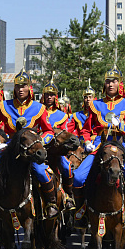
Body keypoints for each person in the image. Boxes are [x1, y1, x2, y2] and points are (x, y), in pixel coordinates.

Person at [0, 66, 58, 217]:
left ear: (29, 88)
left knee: (42, 173)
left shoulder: (39, 108)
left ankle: (51, 203)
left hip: (31, 151)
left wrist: (39, 142)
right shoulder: (4, 106)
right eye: (17, 86)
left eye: (23, 86)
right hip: (10, 149)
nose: (20, 89)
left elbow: (49, 130)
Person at [72, 64, 125, 229]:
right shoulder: (95, 105)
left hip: (120, 147)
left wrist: (121, 125)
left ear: (120, 84)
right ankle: (82, 210)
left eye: (114, 81)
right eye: (108, 82)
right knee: (78, 177)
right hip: (98, 148)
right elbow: (86, 129)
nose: (110, 84)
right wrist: (87, 142)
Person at [40, 74, 75, 209]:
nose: (49, 97)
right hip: (39, 150)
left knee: (67, 167)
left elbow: (65, 134)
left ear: (56, 97)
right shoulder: (38, 110)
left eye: (52, 95)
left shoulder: (62, 115)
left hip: (56, 151)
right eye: (47, 94)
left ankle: (68, 196)